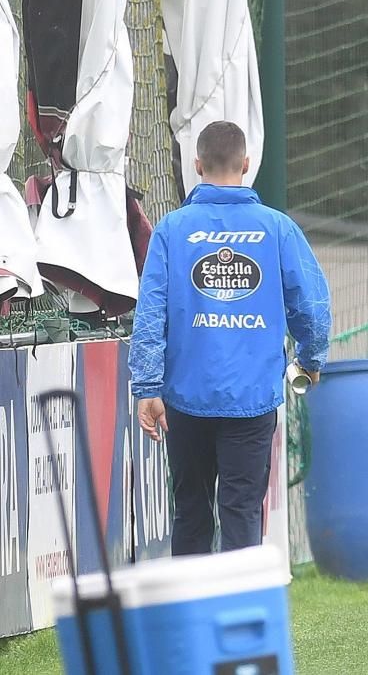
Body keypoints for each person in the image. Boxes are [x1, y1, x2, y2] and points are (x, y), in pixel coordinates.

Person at [128, 121, 332, 555]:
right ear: (247, 163)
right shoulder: (276, 228)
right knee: (242, 512)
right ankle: (238, 618)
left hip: (185, 396)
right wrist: (311, 360)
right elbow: (312, 306)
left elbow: (150, 313)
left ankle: (189, 617)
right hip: (252, 397)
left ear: (196, 164)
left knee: (191, 511)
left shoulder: (171, 229)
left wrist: (147, 386)